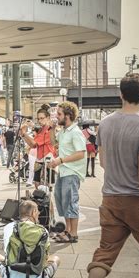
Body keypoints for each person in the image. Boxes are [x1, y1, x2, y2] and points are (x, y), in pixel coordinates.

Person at [85, 73, 139, 278]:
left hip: (110, 200)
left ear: (120, 94)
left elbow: (103, 162)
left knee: (104, 254)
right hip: (136, 201)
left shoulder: (105, 124)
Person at [0, 200, 60, 278]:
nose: (39, 213)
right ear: (34, 212)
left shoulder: (8, 227)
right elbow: (46, 258)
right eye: (38, 211)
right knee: (56, 258)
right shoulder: (43, 231)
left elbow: (7, 253)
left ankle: (13, 275)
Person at [47, 102, 86, 243]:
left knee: (70, 202)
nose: (56, 117)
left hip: (72, 171)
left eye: (59, 114)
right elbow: (54, 144)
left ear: (68, 116)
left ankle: (73, 233)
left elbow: (81, 153)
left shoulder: (75, 132)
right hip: (63, 171)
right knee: (62, 201)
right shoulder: (63, 131)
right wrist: (52, 129)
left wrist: (60, 160)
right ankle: (68, 231)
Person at [21, 104, 57, 190]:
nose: (39, 121)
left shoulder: (49, 129)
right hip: (40, 157)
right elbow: (32, 145)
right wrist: (23, 134)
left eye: (42, 118)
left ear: (48, 118)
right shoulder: (41, 129)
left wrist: (24, 133)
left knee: (49, 186)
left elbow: (33, 143)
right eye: (38, 119)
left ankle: (48, 202)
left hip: (48, 157)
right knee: (36, 182)